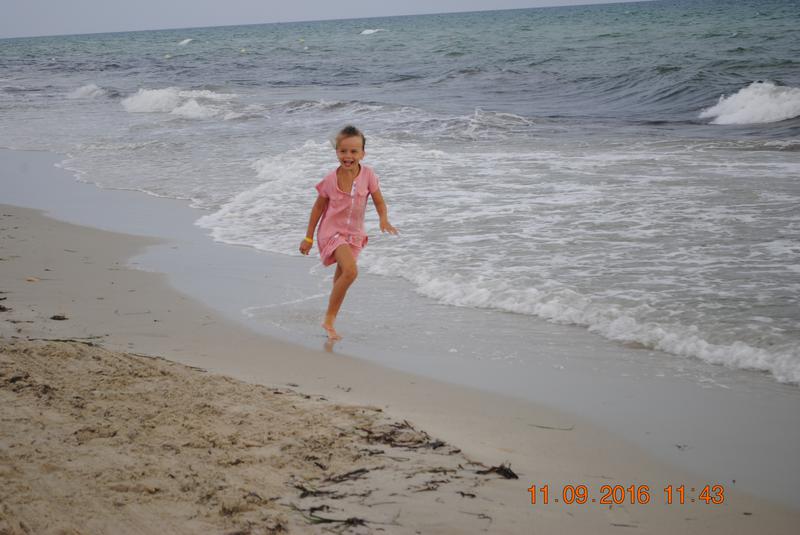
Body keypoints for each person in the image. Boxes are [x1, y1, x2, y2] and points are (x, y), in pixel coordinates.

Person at [299, 125, 398, 340]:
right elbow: (318, 208)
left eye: (354, 151)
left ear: (363, 153)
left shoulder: (368, 175)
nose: (348, 156)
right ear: (337, 152)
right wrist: (308, 237)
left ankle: (330, 320)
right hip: (331, 232)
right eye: (343, 151)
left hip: (354, 235)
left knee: (342, 279)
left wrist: (383, 219)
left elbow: (379, 202)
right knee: (351, 272)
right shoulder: (330, 179)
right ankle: (328, 320)